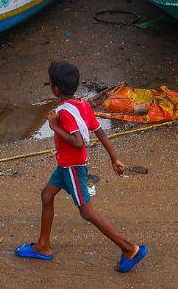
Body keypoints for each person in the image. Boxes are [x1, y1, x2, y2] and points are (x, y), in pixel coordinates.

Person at [15, 61, 147, 273]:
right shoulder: (82, 105)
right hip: (66, 165)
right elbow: (99, 131)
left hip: (72, 167)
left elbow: (78, 141)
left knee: (87, 212)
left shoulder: (65, 114)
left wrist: (55, 127)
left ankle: (129, 248)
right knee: (47, 196)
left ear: (55, 89)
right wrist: (115, 158)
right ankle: (43, 245)